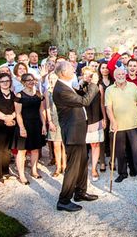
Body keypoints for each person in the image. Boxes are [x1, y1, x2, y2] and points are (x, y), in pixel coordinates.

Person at [53, 60, 100, 212]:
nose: (74, 70)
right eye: (70, 69)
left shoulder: (67, 86)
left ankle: (80, 192)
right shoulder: (61, 89)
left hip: (78, 130)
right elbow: (84, 101)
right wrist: (93, 84)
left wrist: (86, 83)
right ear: (62, 73)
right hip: (72, 132)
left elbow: (80, 94)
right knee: (73, 167)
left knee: (82, 163)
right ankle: (64, 200)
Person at [105, 67, 137, 183]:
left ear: (125, 74)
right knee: (120, 151)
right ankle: (122, 173)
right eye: (118, 74)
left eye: (123, 74)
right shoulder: (109, 90)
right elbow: (108, 108)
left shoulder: (133, 86)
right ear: (114, 76)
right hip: (118, 125)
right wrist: (113, 121)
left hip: (133, 124)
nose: (121, 76)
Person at [14, 73, 47, 184]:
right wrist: (22, 128)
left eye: (32, 80)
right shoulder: (19, 95)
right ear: (23, 82)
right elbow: (18, 114)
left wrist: (43, 125)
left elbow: (41, 111)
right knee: (22, 151)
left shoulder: (38, 94)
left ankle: (34, 171)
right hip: (24, 124)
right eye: (28, 80)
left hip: (36, 124)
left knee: (35, 149)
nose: (31, 82)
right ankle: (22, 175)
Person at [45, 72, 65, 177]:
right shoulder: (47, 92)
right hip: (54, 120)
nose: (53, 80)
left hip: (64, 119)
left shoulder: (63, 90)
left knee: (64, 145)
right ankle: (58, 167)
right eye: (51, 78)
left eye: (54, 78)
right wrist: (50, 122)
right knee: (56, 145)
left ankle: (65, 166)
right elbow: (47, 108)